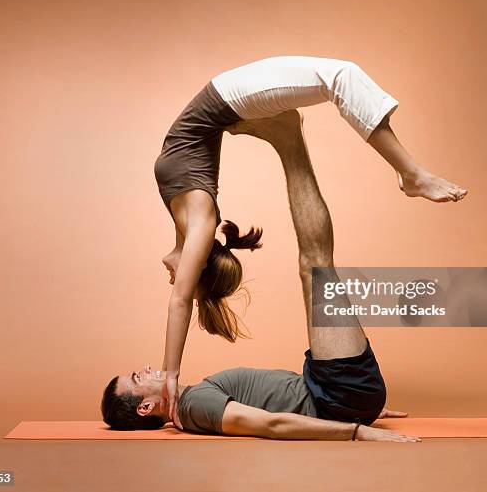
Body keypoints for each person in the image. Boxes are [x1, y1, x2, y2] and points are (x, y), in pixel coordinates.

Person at [153, 55, 468, 427]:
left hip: (226, 99)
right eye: (184, 277)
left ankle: (289, 131)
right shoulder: (201, 225)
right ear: (198, 263)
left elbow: (184, 289)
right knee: (341, 77)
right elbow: (180, 302)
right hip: (226, 98)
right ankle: (411, 174)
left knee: (341, 77)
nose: (172, 277)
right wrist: (170, 372)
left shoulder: (185, 224)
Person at [102, 109, 425, 442]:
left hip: (334, 393)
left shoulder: (196, 397)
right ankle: (289, 139)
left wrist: (367, 410)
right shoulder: (195, 406)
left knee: (316, 266)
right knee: (314, 264)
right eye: (136, 379)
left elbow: (280, 403)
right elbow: (272, 425)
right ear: (146, 408)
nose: (142, 370)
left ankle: (289, 138)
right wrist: (357, 430)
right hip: (336, 397)